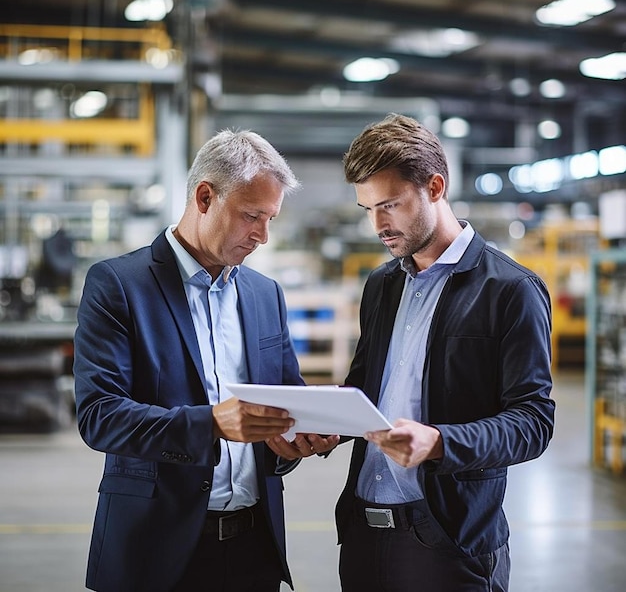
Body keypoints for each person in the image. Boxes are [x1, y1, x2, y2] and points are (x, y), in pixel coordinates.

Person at [73, 129, 339, 592]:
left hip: (254, 550)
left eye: (270, 218)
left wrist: (298, 440)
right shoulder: (118, 285)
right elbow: (100, 416)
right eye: (252, 216)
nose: (262, 235)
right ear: (204, 197)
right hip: (155, 551)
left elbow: (284, 405)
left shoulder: (264, 294)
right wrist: (212, 423)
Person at [334, 113, 555, 592]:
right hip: (363, 535)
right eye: (367, 208)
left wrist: (439, 442)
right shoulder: (382, 285)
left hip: (448, 540)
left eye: (390, 204)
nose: (378, 225)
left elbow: (533, 422)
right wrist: (327, 422)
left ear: (435, 187)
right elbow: (364, 388)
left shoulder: (511, 290)